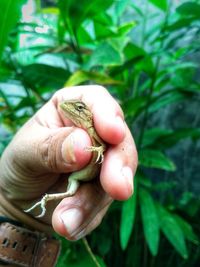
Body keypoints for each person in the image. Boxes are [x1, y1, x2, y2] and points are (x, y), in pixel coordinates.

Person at [0, 86, 137, 266]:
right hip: (78, 175)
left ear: (87, 115)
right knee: (71, 188)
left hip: (85, 174)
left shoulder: (93, 131)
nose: (73, 108)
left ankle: (43, 202)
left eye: (79, 107)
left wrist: (11, 209)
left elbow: (102, 147)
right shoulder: (78, 134)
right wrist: (9, 207)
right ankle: (46, 199)